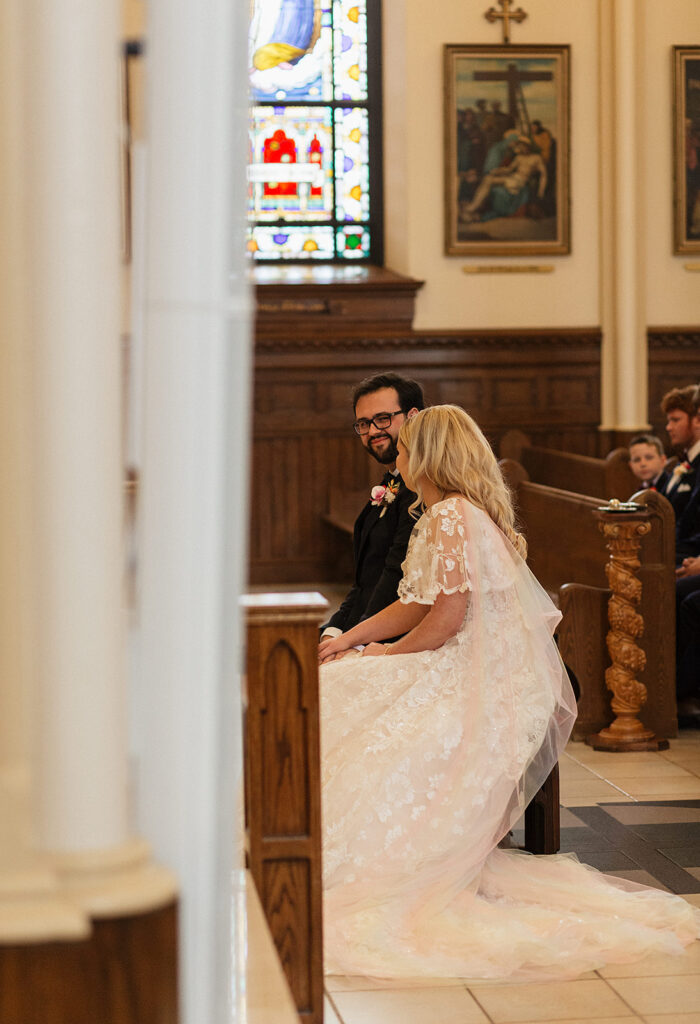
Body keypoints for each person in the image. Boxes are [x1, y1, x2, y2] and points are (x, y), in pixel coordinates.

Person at [318, 405, 699, 980]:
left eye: (406, 444)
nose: (397, 452)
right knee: (342, 674)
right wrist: (353, 635)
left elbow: (445, 621)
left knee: (346, 689)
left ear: (428, 454)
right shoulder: (450, 513)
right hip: (466, 662)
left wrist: (380, 654)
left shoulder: (450, 516)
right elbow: (417, 602)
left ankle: (343, 850)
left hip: (474, 677)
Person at [320, 372, 424, 646]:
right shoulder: (392, 481)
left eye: (382, 419)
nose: (373, 431)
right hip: (365, 626)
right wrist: (333, 630)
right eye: (364, 423)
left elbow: (394, 579)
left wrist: (353, 644)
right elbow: (365, 581)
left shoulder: (423, 492)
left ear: (413, 416)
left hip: (394, 639)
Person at [463, 135, 547, 223]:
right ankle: (474, 207)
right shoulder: (519, 157)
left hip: (520, 182)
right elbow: (509, 169)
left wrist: (541, 191)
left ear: (528, 146)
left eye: (523, 145)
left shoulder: (536, 158)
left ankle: (471, 208)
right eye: (520, 145)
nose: (521, 147)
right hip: (512, 178)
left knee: (489, 180)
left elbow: (544, 175)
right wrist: (497, 171)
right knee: (488, 178)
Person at [661, 384, 699, 519]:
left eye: (675, 420)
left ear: (697, 420)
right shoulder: (684, 460)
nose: (668, 427)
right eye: (668, 420)